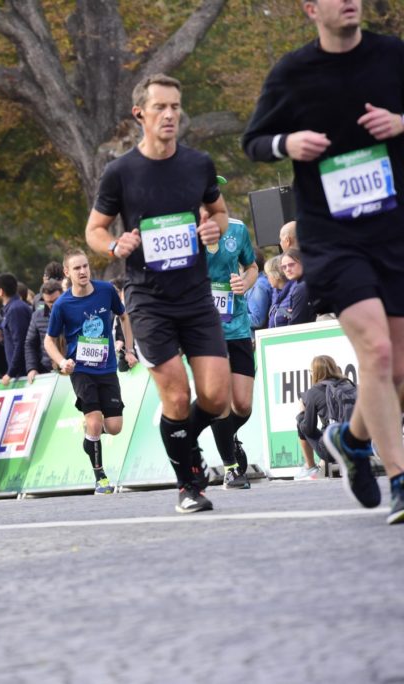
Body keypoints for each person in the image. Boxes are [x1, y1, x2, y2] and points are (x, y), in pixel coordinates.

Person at [242, 0, 404, 524]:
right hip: (331, 238)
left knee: (397, 367)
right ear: (312, 8)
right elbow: (254, 142)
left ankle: (351, 440)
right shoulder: (293, 72)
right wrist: (287, 141)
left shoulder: (391, 56)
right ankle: (399, 478)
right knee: (375, 352)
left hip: (392, 229)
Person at [85, 73, 232, 514]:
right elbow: (95, 228)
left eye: (175, 107)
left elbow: (219, 211)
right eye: (160, 108)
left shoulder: (198, 164)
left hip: (195, 295)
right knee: (177, 396)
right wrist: (114, 245)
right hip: (148, 300)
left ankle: (183, 440)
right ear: (140, 115)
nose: (170, 115)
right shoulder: (120, 173)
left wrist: (213, 228)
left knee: (217, 398)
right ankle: (188, 483)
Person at [44, 249, 137, 494]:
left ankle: (90, 438)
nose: (83, 271)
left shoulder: (106, 290)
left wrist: (128, 349)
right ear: (67, 272)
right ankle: (101, 477)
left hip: (106, 368)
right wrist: (62, 362)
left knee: (114, 426)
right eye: (77, 268)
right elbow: (49, 341)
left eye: (85, 266)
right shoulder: (63, 304)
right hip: (81, 369)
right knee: (95, 422)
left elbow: (124, 316)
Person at [204, 216, 260, 489]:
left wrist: (245, 283)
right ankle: (231, 468)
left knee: (243, 405)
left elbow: (252, 266)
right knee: (220, 400)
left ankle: (227, 435)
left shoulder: (237, 229)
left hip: (237, 325)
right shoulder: (186, 231)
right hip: (204, 330)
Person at [296, 355, 353, 480]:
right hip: (359, 445)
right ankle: (322, 464)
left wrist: (302, 413)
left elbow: (309, 429)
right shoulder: (351, 386)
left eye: (311, 372)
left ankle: (310, 467)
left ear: (315, 373)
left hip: (334, 451)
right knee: (327, 427)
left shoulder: (313, 392)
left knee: (301, 421)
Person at [0, 273, 32, 385]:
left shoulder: (16, 310)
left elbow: (20, 343)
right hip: (19, 373)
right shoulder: (11, 309)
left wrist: (10, 373)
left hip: (23, 373)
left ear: (1, 292)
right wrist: (3, 339)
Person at [26, 280, 64, 381]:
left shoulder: (75, 312)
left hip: (73, 368)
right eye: (50, 302)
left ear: (62, 295)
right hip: (47, 371)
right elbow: (30, 344)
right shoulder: (37, 316)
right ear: (44, 300)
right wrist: (32, 368)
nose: (54, 304)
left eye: (57, 300)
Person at [276, 248, 316, 326]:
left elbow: (296, 324)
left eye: (291, 265)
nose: (287, 269)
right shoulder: (306, 283)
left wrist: (294, 316)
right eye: (284, 267)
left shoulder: (302, 288)